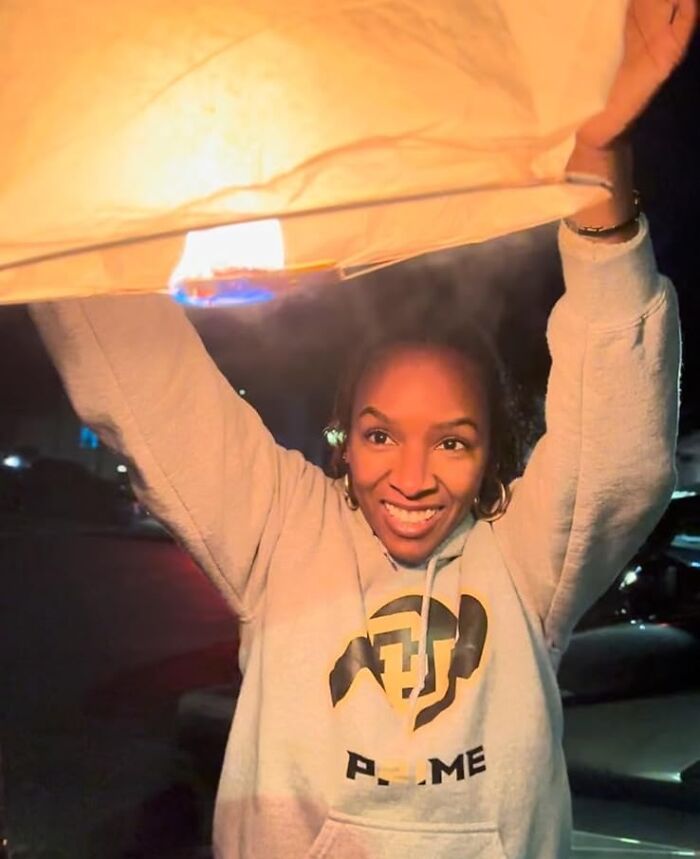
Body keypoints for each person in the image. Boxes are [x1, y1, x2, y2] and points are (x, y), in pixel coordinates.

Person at [29, 2, 696, 856]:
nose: (411, 475)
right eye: (382, 434)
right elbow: (141, 380)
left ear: (491, 452)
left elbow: (618, 447)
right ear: (344, 434)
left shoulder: (526, 565)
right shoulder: (282, 535)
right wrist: (43, 165)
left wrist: (598, 164)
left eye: (452, 440)